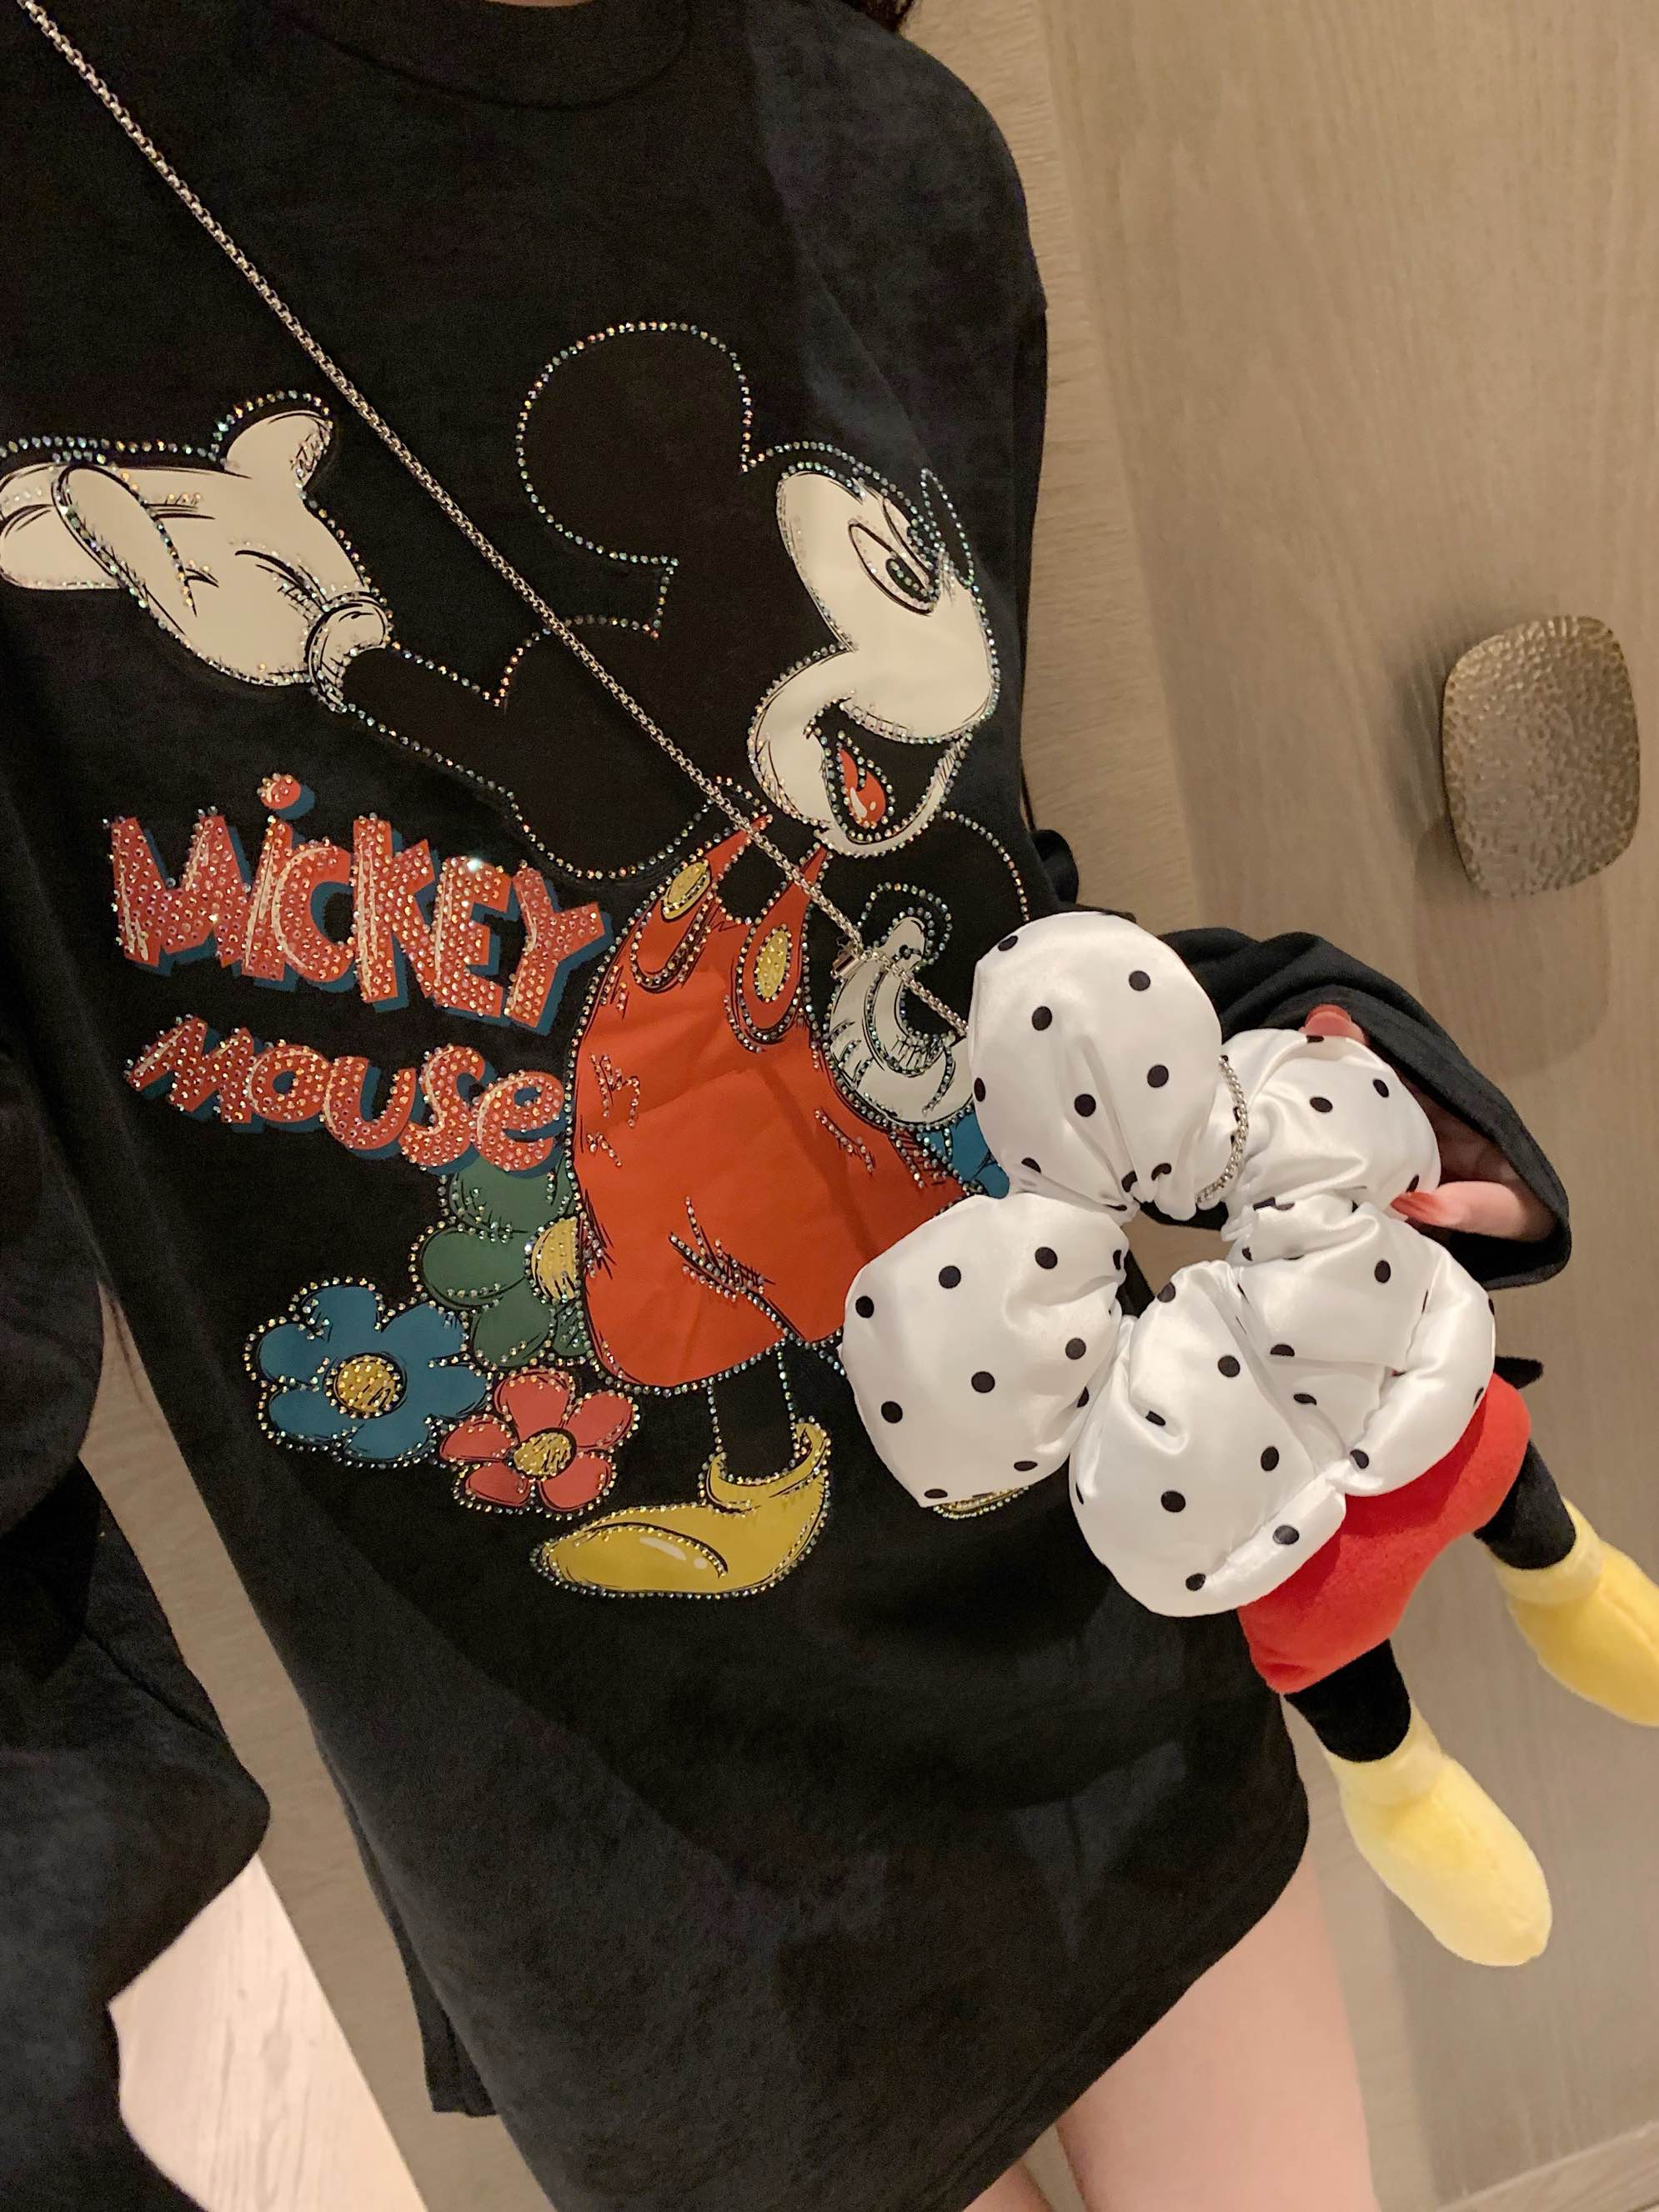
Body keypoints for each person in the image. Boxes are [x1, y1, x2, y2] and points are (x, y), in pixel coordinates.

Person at [0, 0, 1564, 2206]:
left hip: (1104, 1639)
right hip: (632, 1881)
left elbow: (970, 910)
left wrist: (1311, 1047)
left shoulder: (888, 151)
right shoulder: (59, 184)